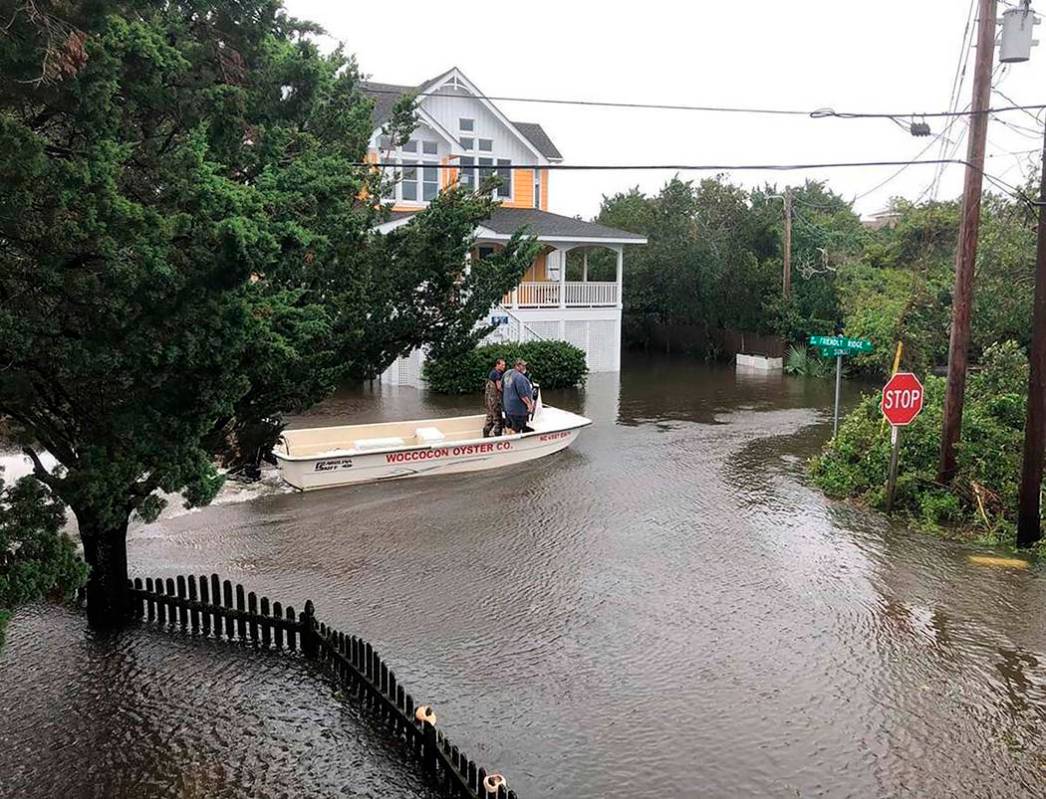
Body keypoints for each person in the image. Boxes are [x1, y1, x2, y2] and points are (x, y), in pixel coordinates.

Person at [502, 358, 535, 433]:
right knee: (516, 428)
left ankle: (508, 439)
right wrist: (529, 405)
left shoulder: (507, 373)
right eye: (523, 366)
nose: (524, 368)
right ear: (518, 366)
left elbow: (501, 387)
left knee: (509, 425)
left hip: (507, 408)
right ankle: (514, 443)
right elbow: (523, 394)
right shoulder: (520, 377)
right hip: (518, 410)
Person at [482, 358, 506, 437]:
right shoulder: (496, 374)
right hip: (494, 401)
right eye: (502, 365)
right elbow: (499, 387)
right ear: (497, 365)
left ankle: (485, 436)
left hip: (489, 401)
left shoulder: (492, 372)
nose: (504, 367)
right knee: (498, 419)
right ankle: (498, 437)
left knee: (490, 418)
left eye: (504, 365)